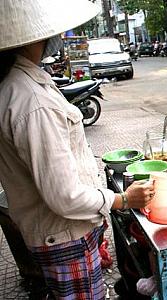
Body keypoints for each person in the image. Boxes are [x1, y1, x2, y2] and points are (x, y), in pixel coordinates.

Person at [0, 0, 155, 299]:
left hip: (63, 233)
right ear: (34, 36)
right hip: (64, 238)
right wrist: (122, 199)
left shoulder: (24, 82)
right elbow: (64, 195)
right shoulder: (32, 101)